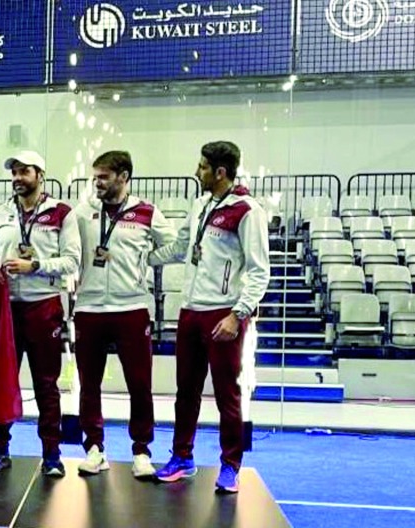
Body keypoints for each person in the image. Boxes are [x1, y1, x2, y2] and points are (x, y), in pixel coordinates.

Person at [151, 141, 270, 493]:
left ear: (220, 172)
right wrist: (137, 256)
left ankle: (230, 464)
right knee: (185, 392)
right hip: (190, 312)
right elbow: (179, 248)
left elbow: (259, 271)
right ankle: (182, 457)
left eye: (202, 166)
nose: (196, 171)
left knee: (226, 396)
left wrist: (238, 315)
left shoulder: (248, 211)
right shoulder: (200, 204)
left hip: (224, 314)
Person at [71, 151, 177, 479]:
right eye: (95, 176)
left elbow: (174, 246)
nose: (97, 183)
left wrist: (143, 260)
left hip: (131, 308)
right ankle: (94, 449)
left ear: (123, 176)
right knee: (89, 384)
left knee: (140, 384)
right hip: (88, 307)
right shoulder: (82, 211)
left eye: (104, 177)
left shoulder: (146, 211)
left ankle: (142, 451)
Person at [0, 151, 81, 476]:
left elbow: (72, 261)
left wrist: (34, 266)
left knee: (46, 384)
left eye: (24, 172)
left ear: (40, 174)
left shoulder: (62, 213)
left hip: (44, 306)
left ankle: (52, 453)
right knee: (2, 381)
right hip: (6, 307)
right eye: (14, 172)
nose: (17, 178)